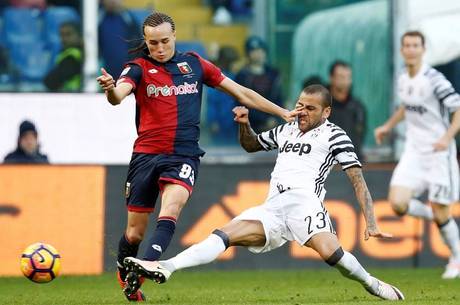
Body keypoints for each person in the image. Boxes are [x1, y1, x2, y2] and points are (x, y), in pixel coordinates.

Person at [123, 85, 405, 301]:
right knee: (224, 234)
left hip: (305, 205)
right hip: (273, 207)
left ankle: (371, 283)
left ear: (326, 112)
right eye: (299, 105)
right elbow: (252, 145)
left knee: (333, 256)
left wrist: (371, 221)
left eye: (310, 108)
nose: (302, 112)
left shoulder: (335, 135)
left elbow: (357, 179)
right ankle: (167, 266)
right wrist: (245, 124)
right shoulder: (287, 129)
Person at [96, 12, 297, 302]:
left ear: (174, 36)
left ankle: (148, 265)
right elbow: (119, 95)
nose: (160, 48)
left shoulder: (194, 64)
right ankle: (126, 269)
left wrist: (281, 112)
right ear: (146, 42)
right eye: (153, 43)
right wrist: (110, 90)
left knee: (172, 207)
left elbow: (240, 91)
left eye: (165, 41)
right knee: (134, 234)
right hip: (145, 157)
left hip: (183, 155)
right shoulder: (138, 68)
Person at [374, 31, 460, 279]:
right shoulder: (402, 77)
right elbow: (406, 106)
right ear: (402, 50)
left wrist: (447, 137)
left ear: (423, 49)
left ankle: (456, 257)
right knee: (398, 204)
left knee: (443, 213)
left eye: (415, 45)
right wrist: (388, 126)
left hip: (438, 153)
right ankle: (433, 216)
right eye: (407, 45)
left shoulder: (435, 79)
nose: (411, 49)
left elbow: (458, 109)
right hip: (414, 151)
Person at [235, 36, 284, 133]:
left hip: (274, 124)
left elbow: (278, 99)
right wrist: (264, 120)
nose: (258, 54)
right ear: (248, 54)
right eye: (253, 51)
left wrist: (276, 118)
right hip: (251, 126)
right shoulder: (242, 76)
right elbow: (242, 103)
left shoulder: (273, 74)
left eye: (260, 50)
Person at [328, 60, 366, 160]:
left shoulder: (358, 108)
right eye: (341, 77)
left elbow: (359, 139)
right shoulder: (320, 106)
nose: (345, 81)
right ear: (331, 78)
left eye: (348, 77)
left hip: (351, 164)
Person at [98, 0, 141, 79]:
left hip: (126, 70)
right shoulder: (98, 19)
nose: (112, 2)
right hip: (105, 70)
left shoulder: (128, 18)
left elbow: (138, 43)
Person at [207, 46, 240, 145]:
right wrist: (213, 121)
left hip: (234, 121)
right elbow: (211, 102)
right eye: (233, 62)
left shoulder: (236, 76)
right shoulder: (217, 77)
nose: (236, 65)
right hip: (220, 121)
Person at [44, 21, 83, 92]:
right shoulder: (65, 53)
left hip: (73, 94)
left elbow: (52, 81)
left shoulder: (73, 56)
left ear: (79, 36)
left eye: (68, 34)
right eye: (61, 35)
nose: (64, 38)